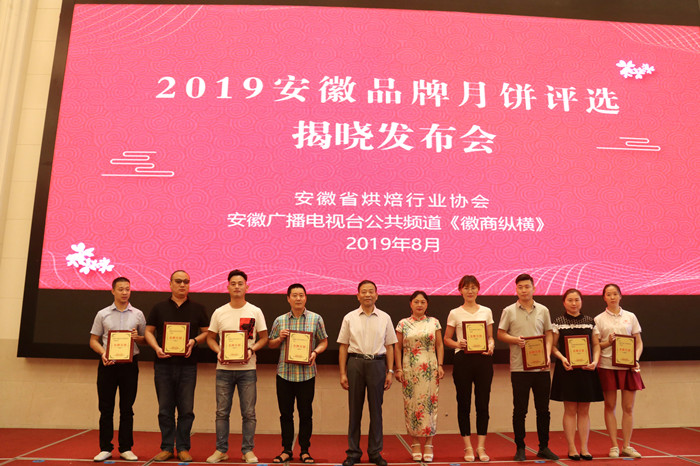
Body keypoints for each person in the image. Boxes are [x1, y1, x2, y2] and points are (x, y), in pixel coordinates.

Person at [145, 270, 210, 462]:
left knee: (186, 410)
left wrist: (194, 341)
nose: (182, 285)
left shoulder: (198, 308)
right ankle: (166, 447)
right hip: (163, 366)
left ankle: (183, 448)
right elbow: (148, 331)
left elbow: (207, 332)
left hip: (188, 366)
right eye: (179, 281)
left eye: (186, 281)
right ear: (170, 284)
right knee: (165, 409)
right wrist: (156, 348)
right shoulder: (159, 307)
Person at [206, 270, 269, 464]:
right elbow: (210, 338)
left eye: (240, 283)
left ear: (247, 287)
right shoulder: (219, 312)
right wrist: (218, 351)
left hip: (247, 370)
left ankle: (247, 450)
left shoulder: (255, 311)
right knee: (221, 413)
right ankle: (221, 450)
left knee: (248, 413)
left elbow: (264, 338)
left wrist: (251, 349)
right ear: (227, 287)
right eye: (233, 283)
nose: (237, 287)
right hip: (223, 370)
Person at [497, 273, 558, 462]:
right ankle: (520, 447)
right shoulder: (509, 311)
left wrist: (547, 354)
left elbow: (549, 333)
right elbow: (500, 334)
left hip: (541, 369)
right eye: (520, 287)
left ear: (534, 288)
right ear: (516, 290)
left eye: (527, 287)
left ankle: (544, 447)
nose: (524, 290)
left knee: (543, 410)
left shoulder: (543, 310)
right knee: (520, 410)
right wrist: (515, 340)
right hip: (519, 369)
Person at [338, 280, 397, 466]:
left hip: (377, 364)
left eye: (371, 291)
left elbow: (390, 346)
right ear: (358, 296)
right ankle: (353, 453)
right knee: (354, 411)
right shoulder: (349, 317)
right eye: (364, 292)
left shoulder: (385, 317)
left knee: (376, 411)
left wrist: (390, 371)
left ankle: (375, 452)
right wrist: (342, 373)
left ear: (377, 295)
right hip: (355, 363)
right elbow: (343, 346)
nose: (367, 295)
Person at [268, 283, 329, 464]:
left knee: (306, 414)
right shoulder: (280, 320)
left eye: (301, 295)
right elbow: (270, 344)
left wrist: (315, 352)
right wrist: (279, 338)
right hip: (284, 374)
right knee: (285, 414)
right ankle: (286, 449)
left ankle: (304, 450)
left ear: (305, 297)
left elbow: (324, 341)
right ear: (288, 298)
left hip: (306, 374)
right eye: (294, 295)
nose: (298, 298)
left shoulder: (316, 318)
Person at [89, 277, 146, 462]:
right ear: (112, 291)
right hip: (108, 365)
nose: (124, 292)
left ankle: (126, 448)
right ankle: (105, 448)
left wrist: (138, 338)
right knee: (106, 408)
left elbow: (145, 339)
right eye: (120, 289)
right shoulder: (102, 314)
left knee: (127, 408)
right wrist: (103, 353)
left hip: (130, 365)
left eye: (127, 289)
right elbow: (93, 340)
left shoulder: (138, 314)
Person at [443, 275, 494, 463]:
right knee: (463, 404)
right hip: (463, 360)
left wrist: (491, 345)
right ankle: (468, 447)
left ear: (478, 290)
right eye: (466, 288)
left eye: (473, 287)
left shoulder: (487, 311)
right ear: (460, 290)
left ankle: (481, 447)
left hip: (483, 360)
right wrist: (458, 343)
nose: (470, 291)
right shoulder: (454, 313)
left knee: (483, 403)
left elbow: (490, 337)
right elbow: (446, 339)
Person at [550, 289, 604, 461]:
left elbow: (596, 345)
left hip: (587, 370)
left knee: (584, 410)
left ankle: (584, 448)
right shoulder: (558, 322)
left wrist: (595, 361)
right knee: (570, 409)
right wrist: (562, 358)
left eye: (577, 300)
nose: (574, 303)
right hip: (567, 370)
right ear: (564, 302)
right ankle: (572, 448)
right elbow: (552, 346)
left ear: (581, 301)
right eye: (570, 300)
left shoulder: (590, 321)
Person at [594, 283, 644, 459]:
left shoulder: (630, 316)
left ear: (621, 296)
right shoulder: (598, 319)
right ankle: (614, 445)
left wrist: (635, 359)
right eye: (608, 294)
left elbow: (638, 343)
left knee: (628, 407)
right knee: (610, 406)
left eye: (615, 294)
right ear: (604, 297)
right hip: (607, 366)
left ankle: (627, 445)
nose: (612, 297)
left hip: (628, 367)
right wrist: (607, 342)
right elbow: (596, 345)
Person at [395, 291, 444, 463]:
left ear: (427, 304)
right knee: (411, 404)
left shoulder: (434, 322)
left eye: (423, 302)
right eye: (416, 302)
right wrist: (399, 368)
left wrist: (440, 365)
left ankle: (429, 443)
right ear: (411, 304)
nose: (420, 305)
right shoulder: (403, 324)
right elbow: (397, 347)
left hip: (429, 368)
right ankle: (415, 442)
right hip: (410, 368)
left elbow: (439, 345)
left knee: (430, 404)